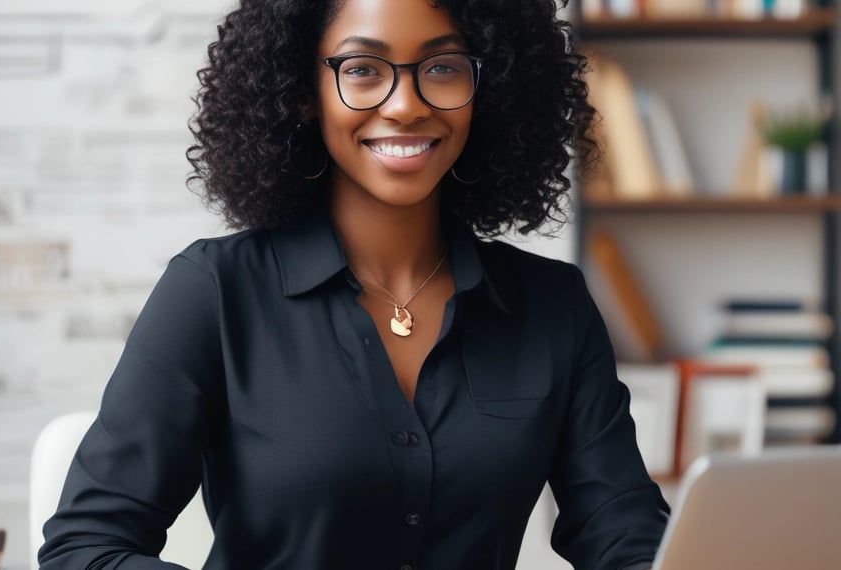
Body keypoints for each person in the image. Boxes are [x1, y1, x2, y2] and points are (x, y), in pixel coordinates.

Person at [38, 0, 671, 568]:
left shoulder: (551, 306)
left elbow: (622, 534)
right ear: (303, 89)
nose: (405, 104)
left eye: (443, 67)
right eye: (363, 69)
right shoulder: (214, 292)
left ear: (490, 89)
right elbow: (87, 547)